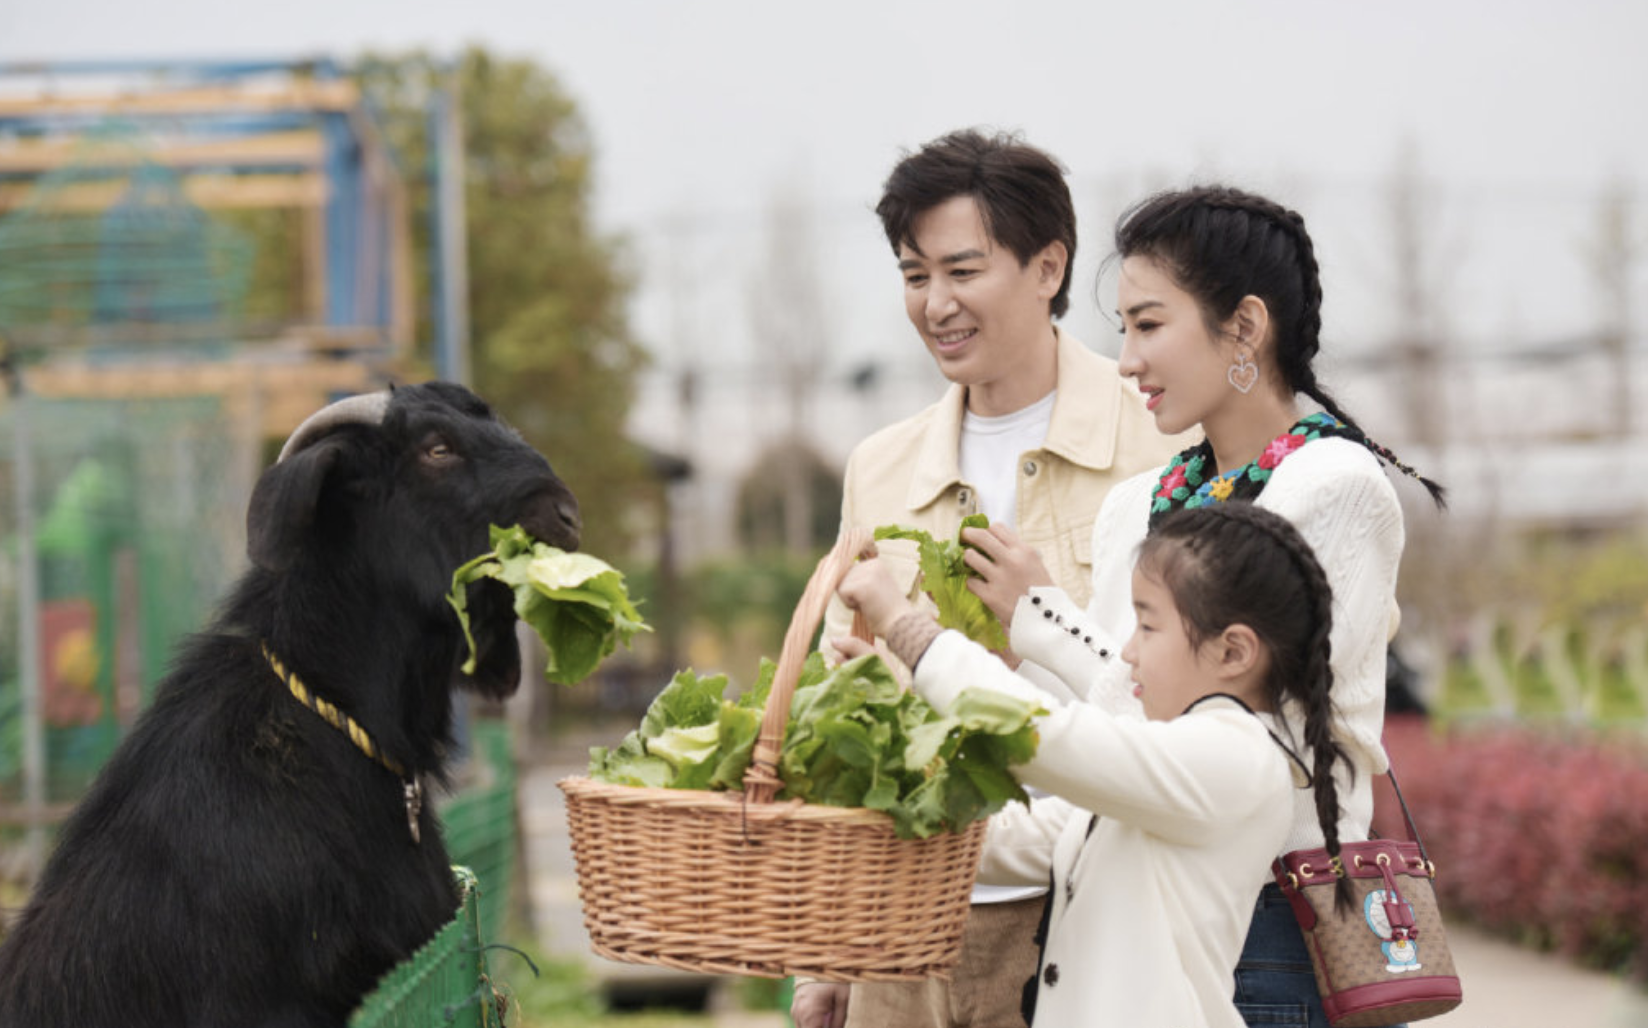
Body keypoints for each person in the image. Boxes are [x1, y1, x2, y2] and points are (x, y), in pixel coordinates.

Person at [958, 184, 1443, 1028]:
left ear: (1245, 327)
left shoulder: (1333, 488)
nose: (1127, 360)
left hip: (1260, 932)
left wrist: (1043, 619)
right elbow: (1107, 731)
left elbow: (1241, 737)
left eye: (1149, 324)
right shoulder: (1139, 503)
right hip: (1116, 926)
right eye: (1122, 329)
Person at [791, 130, 1189, 1028]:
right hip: (907, 923)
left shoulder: (1159, 442)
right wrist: (827, 956)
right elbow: (840, 698)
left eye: (962, 270)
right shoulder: (880, 467)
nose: (936, 304)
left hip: (1091, 913)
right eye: (912, 275)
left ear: (1048, 267)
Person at [834, 502, 1356, 1028]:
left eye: (1148, 627)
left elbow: (1053, 739)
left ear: (1234, 652)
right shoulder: (1167, 770)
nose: (1127, 652)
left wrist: (904, 626)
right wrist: (893, 725)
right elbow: (1004, 840)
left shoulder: (1238, 760)